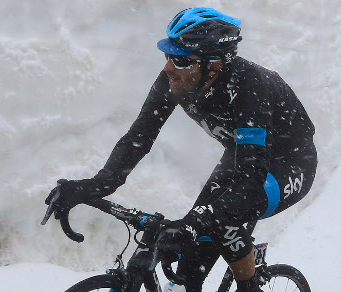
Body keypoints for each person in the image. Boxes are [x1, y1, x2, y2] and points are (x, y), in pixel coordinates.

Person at [46, 7, 317, 292]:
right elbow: (139, 136)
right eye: (167, 56)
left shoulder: (250, 88)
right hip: (242, 157)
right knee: (190, 270)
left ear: (214, 65)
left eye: (179, 59)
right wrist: (94, 186)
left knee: (224, 220)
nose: (168, 67)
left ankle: (249, 285)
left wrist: (199, 222)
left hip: (290, 164)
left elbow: (250, 182)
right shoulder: (175, 78)